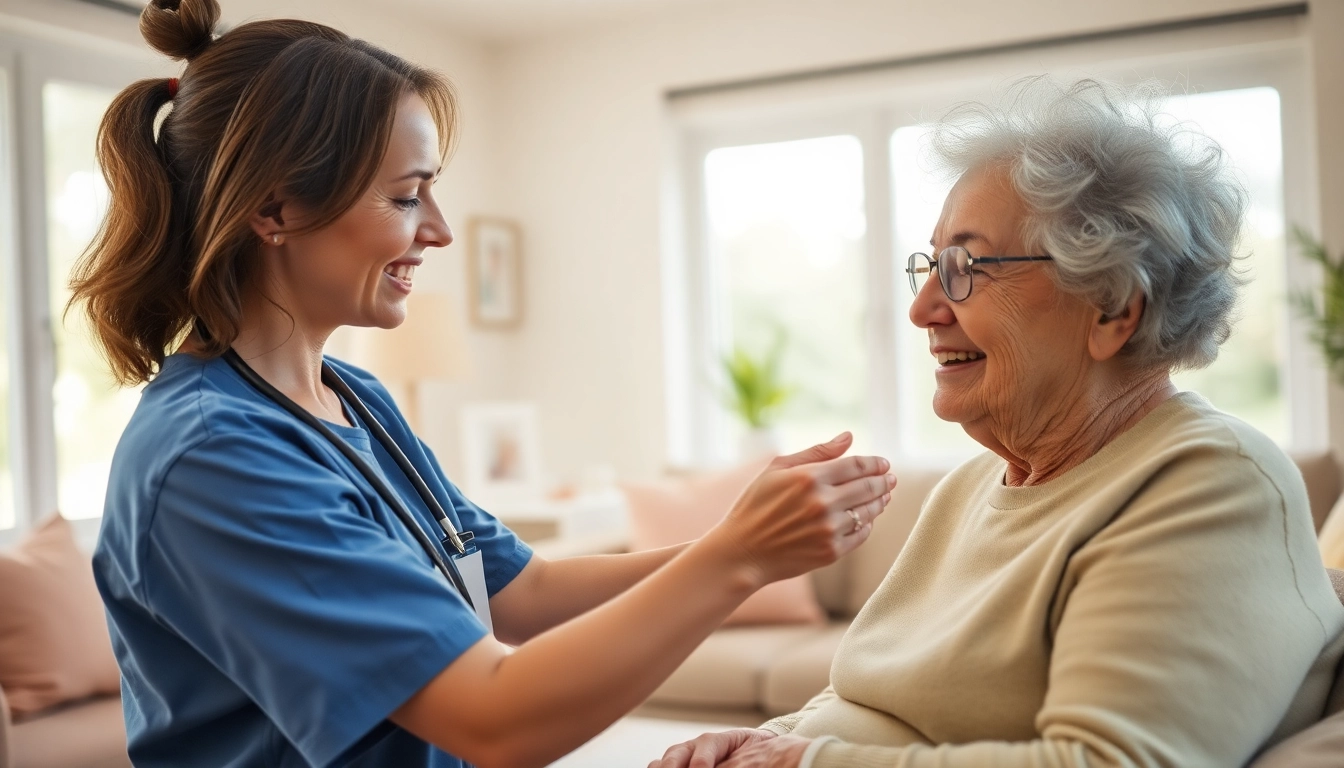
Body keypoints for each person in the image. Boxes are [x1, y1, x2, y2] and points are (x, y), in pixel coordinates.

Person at [74, 2, 899, 766]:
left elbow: (518, 593)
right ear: (275, 209)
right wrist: (737, 557)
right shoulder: (213, 459)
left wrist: (760, 540)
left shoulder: (355, 399)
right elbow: (493, 718)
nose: (436, 230)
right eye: (405, 196)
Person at [653, 78, 1344, 768]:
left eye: (966, 266)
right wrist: (763, 742)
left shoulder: (1207, 485)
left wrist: (803, 764)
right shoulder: (970, 488)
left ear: (1111, 307)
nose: (923, 307)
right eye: (929, 264)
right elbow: (869, 700)